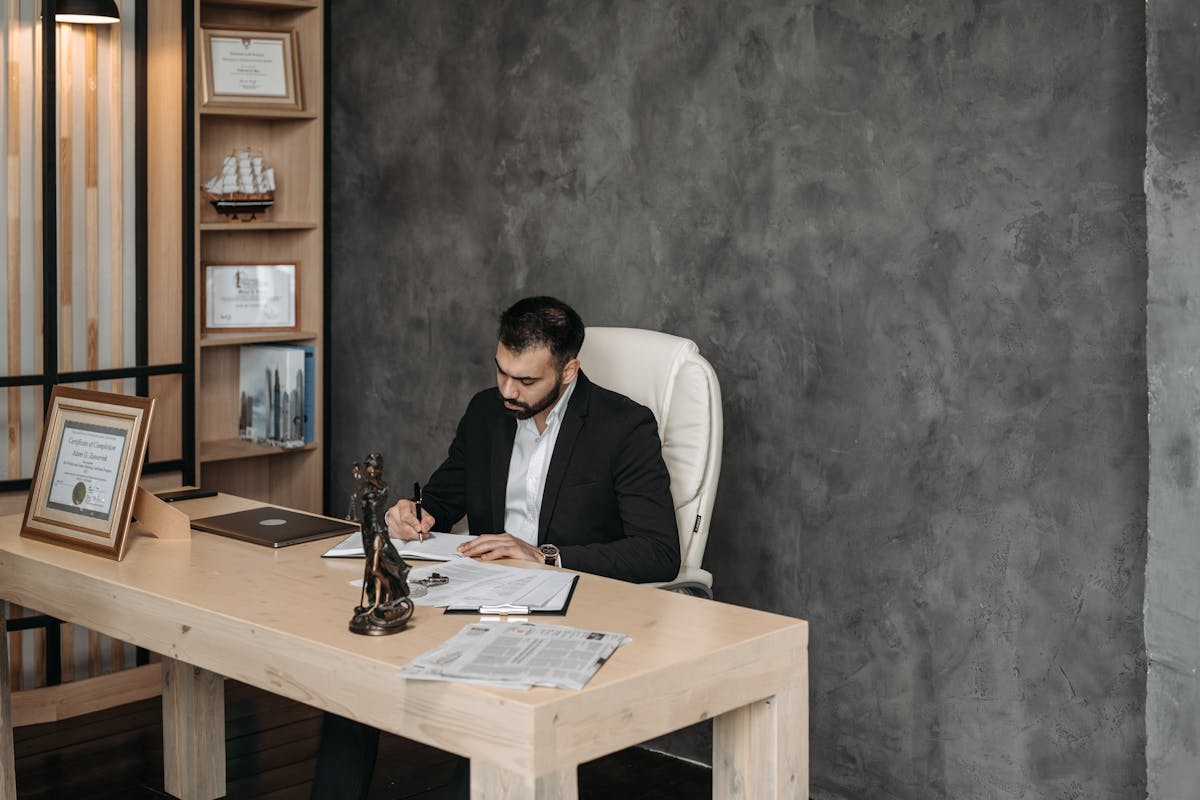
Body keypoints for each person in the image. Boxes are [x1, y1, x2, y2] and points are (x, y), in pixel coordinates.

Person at [312, 296, 679, 799]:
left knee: (486, 728)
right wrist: (415, 512)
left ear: (569, 370)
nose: (508, 390)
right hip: (479, 595)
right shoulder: (487, 411)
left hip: (570, 606)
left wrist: (544, 555)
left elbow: (658, 552)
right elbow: (443, 496)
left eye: (526, 381)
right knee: (354, 673)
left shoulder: (624, 427)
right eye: (502, 372)